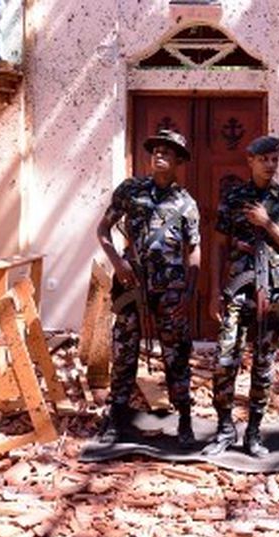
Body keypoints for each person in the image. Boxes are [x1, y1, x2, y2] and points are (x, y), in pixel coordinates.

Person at [203, 135, 279, 458]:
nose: (270, 165)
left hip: (272, 295)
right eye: (264, 159)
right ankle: (224, 428)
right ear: (250, 160)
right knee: (224, 361)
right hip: (236, 290)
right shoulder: (233, 198)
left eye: (275, 159)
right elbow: (219, 245)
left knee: (264, 365)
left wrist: (268, 224)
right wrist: (213, 292)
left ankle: (253, 433)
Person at [96, 130, 201, 448]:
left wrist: (189, 292)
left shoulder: (186, 203)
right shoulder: (130, 190)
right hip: (131, 284)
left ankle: (184, 419)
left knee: (177, 354)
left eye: (167, 152)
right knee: (124, 351)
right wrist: (118, 263)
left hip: (170, 290)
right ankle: (116, 417)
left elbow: (194, 249)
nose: (159, 155)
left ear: (179, 161)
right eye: (155, 149)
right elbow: (102, 230)